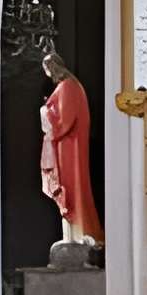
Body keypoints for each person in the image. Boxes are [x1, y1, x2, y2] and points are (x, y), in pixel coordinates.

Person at [38, 43, 102, 251]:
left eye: (47, 70)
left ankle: (77, 237)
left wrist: (45, 112)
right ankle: (73, 236)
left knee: (71, 189)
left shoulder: (67, 87)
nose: (47, 75)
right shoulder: (71, 86)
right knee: (72, 189)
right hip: (69, 146)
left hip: (69, 148)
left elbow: (64, 120)